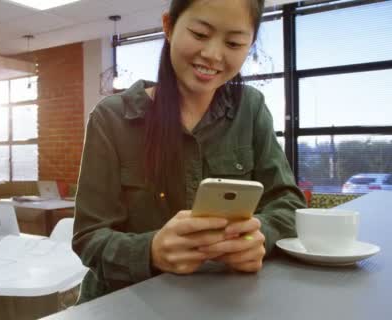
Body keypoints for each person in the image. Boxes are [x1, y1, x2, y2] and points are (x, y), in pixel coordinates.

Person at [72, 0, 306, 304]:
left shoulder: (250, 108)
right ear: (169, 27)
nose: (212, 54)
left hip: (224, 300)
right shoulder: (112, 118)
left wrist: (259, 236)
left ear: (249, 46)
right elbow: (89, 238)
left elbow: (288, 204)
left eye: (234, 42)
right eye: (199, 34)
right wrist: (151, 250)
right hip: (126, 302)